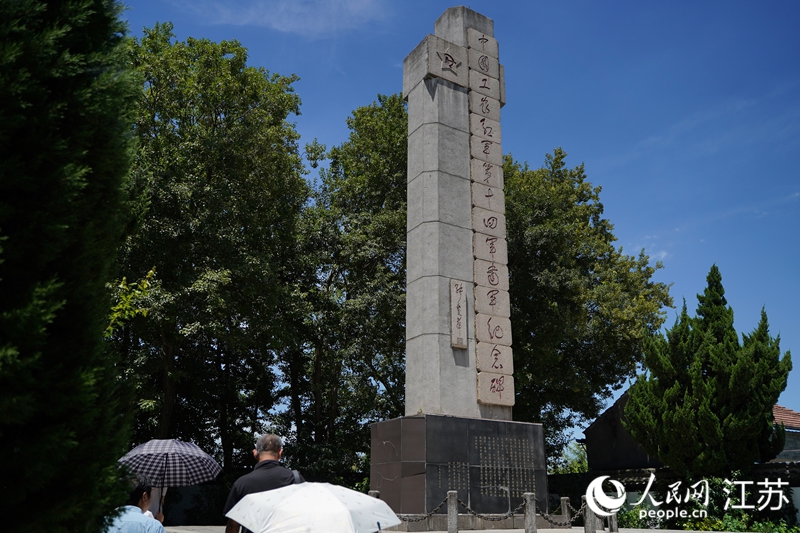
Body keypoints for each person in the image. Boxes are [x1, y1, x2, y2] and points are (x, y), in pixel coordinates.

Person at [223, 434, 304, 533]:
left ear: (255, 453)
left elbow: (233, 526)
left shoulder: (241, 484)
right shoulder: (295, 479)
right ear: (280, 452)